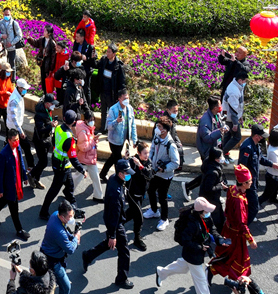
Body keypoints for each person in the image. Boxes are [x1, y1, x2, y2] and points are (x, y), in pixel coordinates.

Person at [81, 158, 134, 290]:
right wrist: (112, 235)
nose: (128, 175)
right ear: (120, 173)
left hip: (114, 220)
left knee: (109, 244)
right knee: (124, 251)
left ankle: (88, 255)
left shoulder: (114, 178)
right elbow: (113, 216)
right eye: (126, 173)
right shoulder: (116, 193)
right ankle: (121, 278)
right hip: (115, 223)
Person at [155, 197, 217, 294]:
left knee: (182, 267)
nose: (208, 213)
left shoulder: (204, 217)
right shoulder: (191, 224)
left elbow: (212, 227)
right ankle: (161, 272)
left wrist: (218, 238)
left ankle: (161, 272)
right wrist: (201, 247)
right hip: (193, 255)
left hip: (193, 254)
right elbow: (186, 241)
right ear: (200, 212)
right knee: (201, 282)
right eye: (206, 211)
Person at [210, 166, 257, 284]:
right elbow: (241, 223)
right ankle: (233, 281)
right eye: (250, 181)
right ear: (244, 183)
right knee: (237, 259)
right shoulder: (239, 200)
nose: (251, 182)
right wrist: (251, 239)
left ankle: (222, 275)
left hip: (228, 229)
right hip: (236, 235)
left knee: (227, 255)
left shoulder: (232, 189)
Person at [39, 110, 85, 219]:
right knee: (54, 190)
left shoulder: (59, 128)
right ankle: (43, 211)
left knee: (69, 186)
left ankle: (73, 207)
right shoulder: (69, 138)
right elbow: (73, 157)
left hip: (58, 162)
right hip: (62, 167)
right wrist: (82, 170)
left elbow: (54, 141)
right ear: (73, 122)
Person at [0, 128, 30, 241]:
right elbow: (0, 174)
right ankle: (19, 230)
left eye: (17, 139)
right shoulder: (3, 154)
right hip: (9, 186)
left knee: (4, 200)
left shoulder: (17, 148)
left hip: (17, 182)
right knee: (14, 208)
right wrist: (0, 189)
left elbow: (20, 162)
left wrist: (25, 176)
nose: (17, 141)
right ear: (9, 140)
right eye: (14, 140)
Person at [143, 117, 180, 232]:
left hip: (165, 175)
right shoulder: (157, 137)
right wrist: (150, 160)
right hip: (155, 172)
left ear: (165, 130)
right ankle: (154, 211)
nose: (157, 129)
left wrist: (164, 169)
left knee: (162, 197)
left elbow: (176, 163)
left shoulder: (171, 145)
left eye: (159, 127)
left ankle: (164, 219)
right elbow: (153, 148)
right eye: (157, 126)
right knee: (150, 190)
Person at [40, 200, 82, 294]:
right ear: (62, 216)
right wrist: (76, 237)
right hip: (52, 261)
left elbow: (65, 231)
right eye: (70, 216)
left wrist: (72, 236)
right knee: (66, 287)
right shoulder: (58, 232)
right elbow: (70, 249)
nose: (71, 218)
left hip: (49, 253)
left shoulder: (55, 215)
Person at [238, 124, 273, 223]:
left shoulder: (256, 145)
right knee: (254, 206)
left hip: (254, 180)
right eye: (262, 136)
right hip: (248, 183)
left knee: (248, 203)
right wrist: (243, 184)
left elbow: (260, 158)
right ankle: (244, 226)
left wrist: (272, 164)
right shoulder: (247, 147)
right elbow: (242, 167)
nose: (263, 138)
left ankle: (245, 218)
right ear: (257, 136)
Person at [100, 89, 136, 182]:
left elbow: (133, 125)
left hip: (124, 139)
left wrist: (134, 140)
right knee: (118, 160)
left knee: (113, 157)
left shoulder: (130, 108)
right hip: (114, 140)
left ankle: (103, 173)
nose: (126, 100)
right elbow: (109, 126)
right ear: (119, 99)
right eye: (124, 98)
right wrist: (116, 121)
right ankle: (119, 179)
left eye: (127, 98)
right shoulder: (113, 109)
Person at [93, 43, 125, 131]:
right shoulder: (104, 60)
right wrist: (93, 57)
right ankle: (103, 128)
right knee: (103, 111)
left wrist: (120, 96)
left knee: (113, 113)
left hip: (112, 93)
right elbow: (96, 65)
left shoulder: (118, 66)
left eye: (109, 52)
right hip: (103, 90)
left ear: (114, 54)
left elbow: (122, 82)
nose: (107, 53)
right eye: (107, 51)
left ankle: (112, 130)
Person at [29, 94, 57, 189]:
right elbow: (41, 129)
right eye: (52, 104)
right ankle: (32, 175)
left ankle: (36, 179)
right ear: (47, 103)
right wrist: (51, 126)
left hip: (46, 139)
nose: (54, 106)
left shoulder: (48, 111)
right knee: (43, 162)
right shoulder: (39, 115)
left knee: (42, 161)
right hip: (40, 141)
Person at [222, 70, 247, 162]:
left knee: (227, 136)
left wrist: (240, 116)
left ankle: (225, 154)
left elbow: (238, 106)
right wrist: (235, 124)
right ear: (240, 80)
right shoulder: (234, 91)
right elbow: (233, 110)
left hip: (228, 116)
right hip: (230, 118)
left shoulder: (237, 87)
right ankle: (223, 152)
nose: (245, 83)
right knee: (237, 137)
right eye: (245, 81)